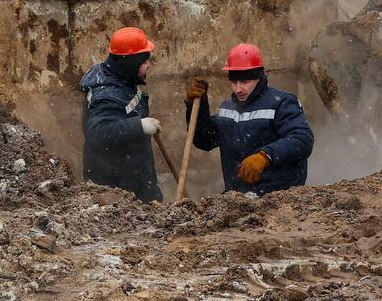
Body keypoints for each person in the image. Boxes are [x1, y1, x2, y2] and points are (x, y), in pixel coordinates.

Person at [185, 44, 313, 195]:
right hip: (238, 199)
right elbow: (204, 140)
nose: (238, 89)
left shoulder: (281, 103)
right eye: (234, 82)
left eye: (244, 82)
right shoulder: (227, 108)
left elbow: (302, 140)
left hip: (279, 199)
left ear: (258, 78)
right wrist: (198, 106)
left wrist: (265, 156)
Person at [79, 27, 163, 203]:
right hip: (117, 194)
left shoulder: (122, 80)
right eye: (144, 61)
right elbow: (98, 132)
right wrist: (139, 126)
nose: (148, 65)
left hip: (136, 182)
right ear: (131, 63)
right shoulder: (107, 94)